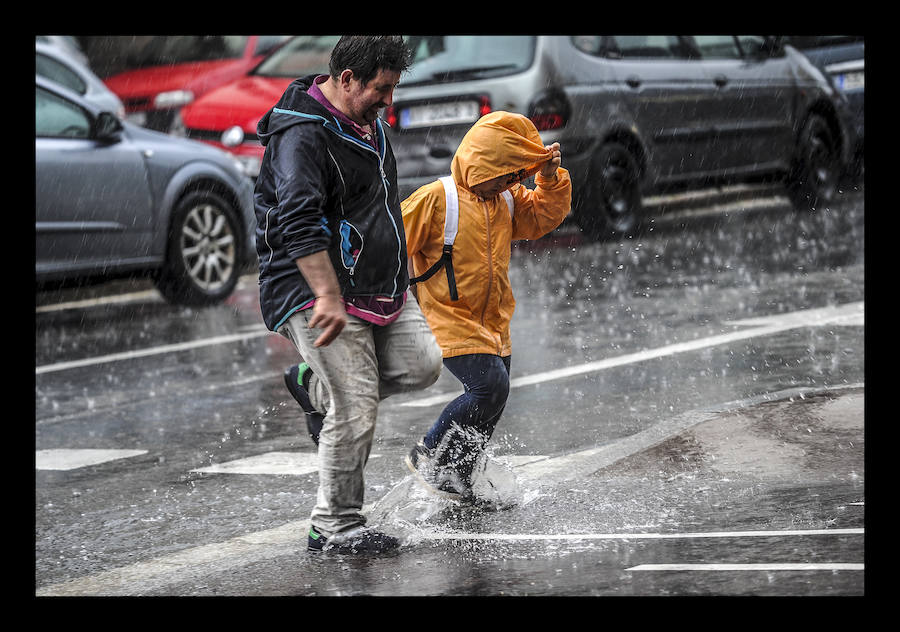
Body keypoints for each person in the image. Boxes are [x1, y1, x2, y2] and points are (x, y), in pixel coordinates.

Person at [254, 35, 443, 554]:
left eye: (393, 89)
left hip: (377, 284)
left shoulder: (368, 121)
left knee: (422, 363)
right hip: (312, 287)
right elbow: (296, 222)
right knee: (356, 404)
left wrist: (402, 274)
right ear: (346, 79)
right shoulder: (301, 136)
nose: (389, 102)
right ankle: (334, 527)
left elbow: (377, 207)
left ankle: (314, 390)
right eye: (381, 90)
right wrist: (327, 295)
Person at [400, 111, 571, 502]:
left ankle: (460, 473)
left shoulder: (505, 200)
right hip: (448, 316)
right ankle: (431, 451)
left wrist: (546, 178)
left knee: (495, 397)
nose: (510, 183)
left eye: (516, 176)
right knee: (488, 386)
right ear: (483, 164)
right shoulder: (437, 199)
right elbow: (391, 242)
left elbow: (543, 216)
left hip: (493, 320)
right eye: (506, 173)